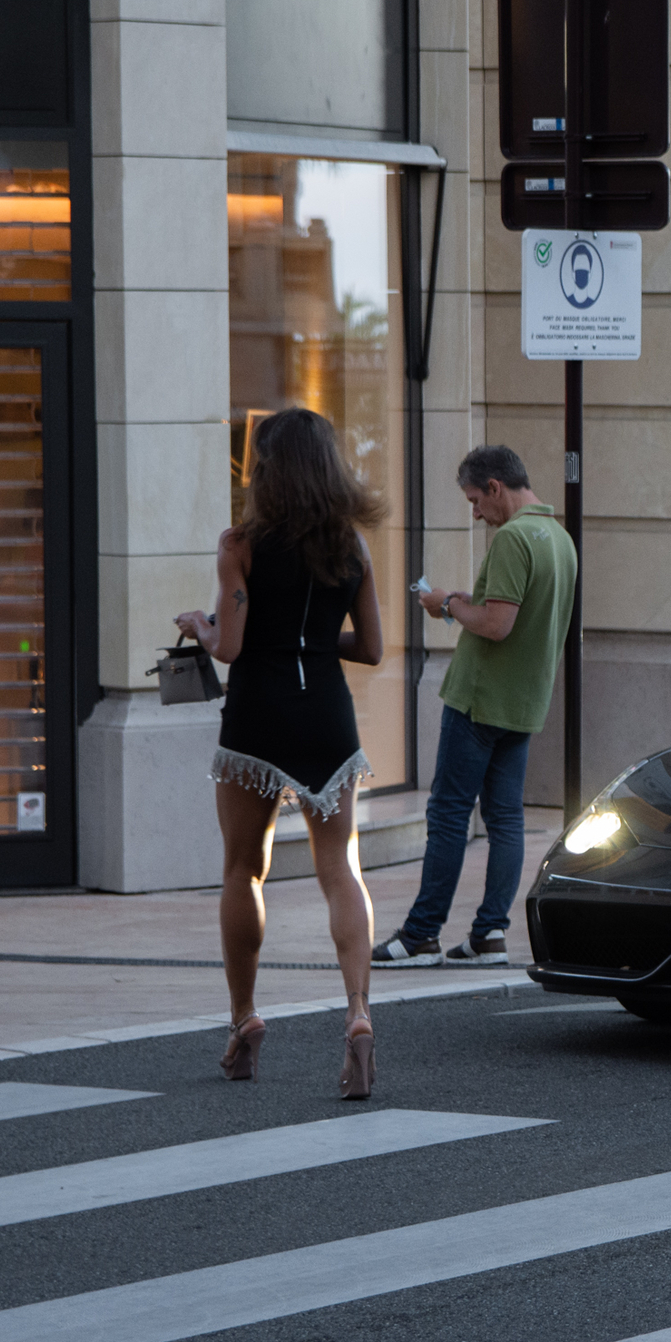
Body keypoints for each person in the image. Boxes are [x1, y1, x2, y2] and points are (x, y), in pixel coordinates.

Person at [176, 408, 387, 1099]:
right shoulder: (351, 547)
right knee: (340, 868)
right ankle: (357, 1014)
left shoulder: (239, 544)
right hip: (327, 713)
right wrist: (318, 643)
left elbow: (230, 647)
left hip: (258, 716)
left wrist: (199, 627)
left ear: (266, 468)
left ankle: (245, 1022)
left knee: (244, 869)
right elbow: (374, 649)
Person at [373, 444, 576, 968]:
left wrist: (446, 604)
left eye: (474, 500)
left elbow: (496, 624)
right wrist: (470, 604)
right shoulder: (560, 538)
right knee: (506, 819)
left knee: (447, 814)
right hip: (524, 703)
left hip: (480, 699)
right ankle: (489, 934)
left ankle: (421, 934)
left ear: (495, 487)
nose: (474, 512)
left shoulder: (513, 538)